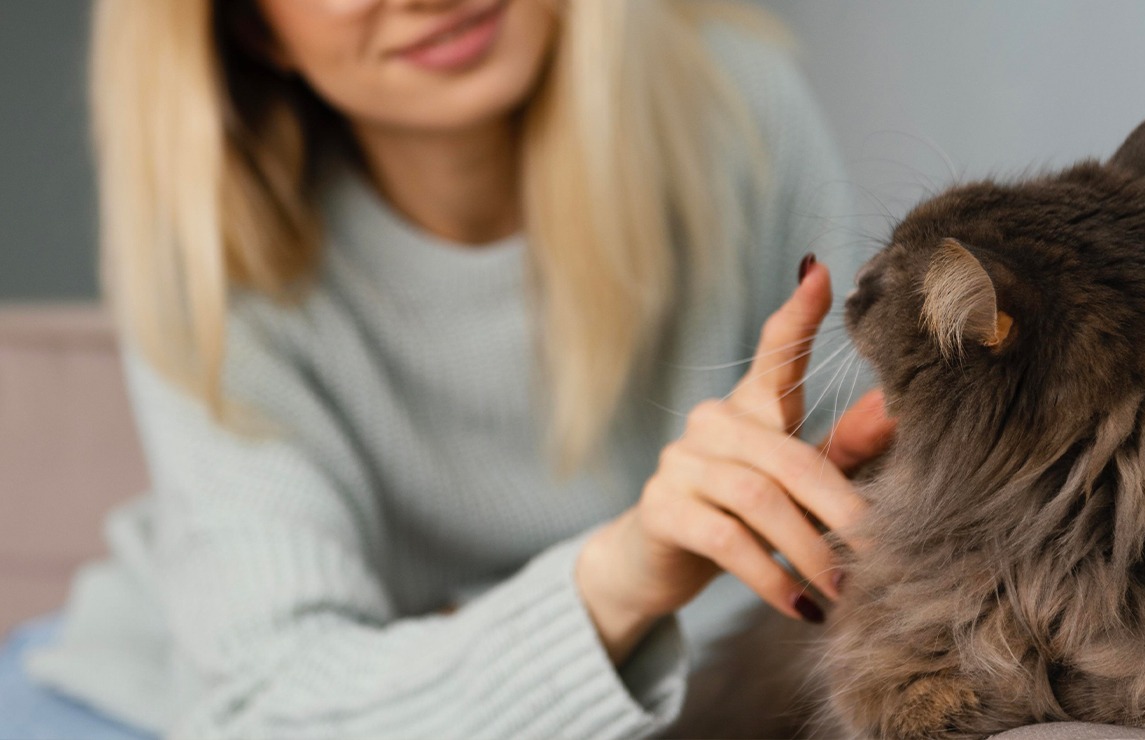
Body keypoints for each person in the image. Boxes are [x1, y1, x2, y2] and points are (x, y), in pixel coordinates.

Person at [4, 0, 893, 737]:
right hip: (159, 705)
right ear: (251, 28)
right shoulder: (208, 239)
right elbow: (277, 700)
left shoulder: (731, 105)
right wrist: (615, 580)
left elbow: (843, 552)